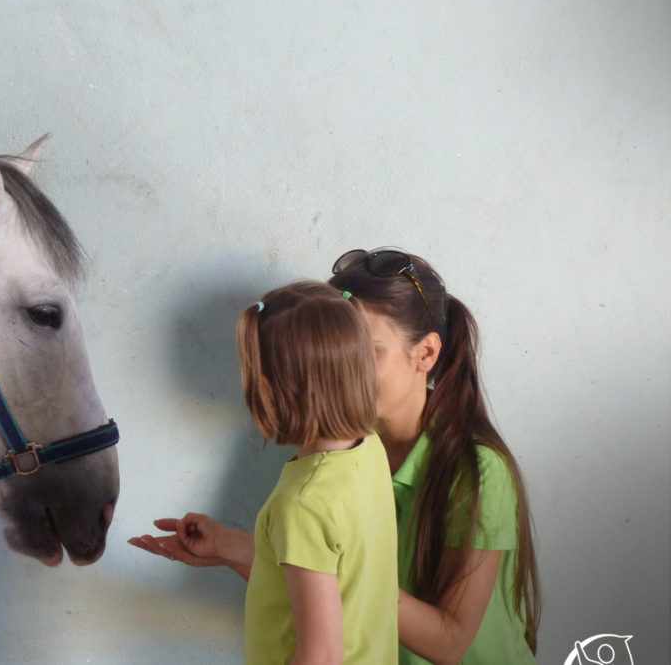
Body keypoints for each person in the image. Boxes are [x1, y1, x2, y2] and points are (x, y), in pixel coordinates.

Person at [129, 249, 541, 664]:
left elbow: (448, 642)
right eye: (345, 348)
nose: (346, 368)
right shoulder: (351, 447)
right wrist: (228, 546)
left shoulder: (478, 471)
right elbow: (324, 573)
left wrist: (353, 580)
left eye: (368, 350)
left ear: (426, 354)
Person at [200, 280, 398, 664]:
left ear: (272, 391)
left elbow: (321, 658)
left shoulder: (302, 504)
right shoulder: (367, 449)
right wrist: (223, 543)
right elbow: (326, 562)